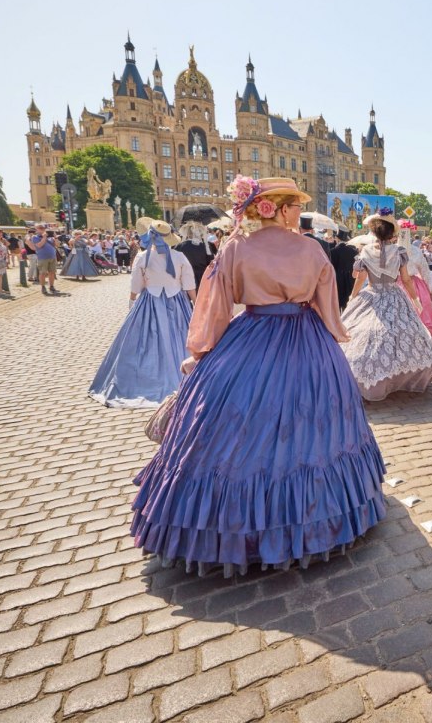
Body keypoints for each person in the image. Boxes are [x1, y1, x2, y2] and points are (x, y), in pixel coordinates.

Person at [131, 176, 385, 576]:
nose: (299, 211)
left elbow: (215, 305)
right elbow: (326, 306)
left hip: (249, 335)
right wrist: (333, 336)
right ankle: (308, 519)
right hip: (306, 341)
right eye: (296, 205)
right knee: (313, 424)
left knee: (232, 429)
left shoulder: (234, 248)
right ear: (280, 209)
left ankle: (229, 528)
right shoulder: (311, 249)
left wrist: (200, 353)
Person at [90, 219, 196, 408]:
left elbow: (136, 284)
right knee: (181, 338)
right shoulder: (179, 257)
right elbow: (189, 285)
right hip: (177, 304)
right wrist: (196, 306)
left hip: (150, 303)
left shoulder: (143, 257)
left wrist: (132, 302)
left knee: (140, 341)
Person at [339, 212, 432, 401]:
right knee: (402, 333)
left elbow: (360, 278)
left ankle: (369, 376)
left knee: (367, 334)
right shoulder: (399, 251)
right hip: (394, 294)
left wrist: (353, 299)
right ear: (391, 233)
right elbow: (406, 279)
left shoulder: (366, 251)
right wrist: (415, 299)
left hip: (371, 294)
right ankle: (396, 377)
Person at [398, 222, 432, 356]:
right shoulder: (392, 250)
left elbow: (425, 271)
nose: (404, 235)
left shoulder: (415, 251)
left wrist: (430, 290)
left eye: (405, 232)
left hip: (414, 285)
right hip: (397, 286)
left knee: (422, 314)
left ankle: (424, 349)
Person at [174, 221, 216, 290]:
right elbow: (211, 262)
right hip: (202, 278)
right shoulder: (205, 246)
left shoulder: (179, 246)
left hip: (185, 279)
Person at [329, 233, 358, 311]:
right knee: (347, 302)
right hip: (350, 278)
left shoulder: (333, 251)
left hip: (337, 279)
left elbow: (331, 267)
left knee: (337, 302)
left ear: (337, 239)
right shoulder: (353, 251)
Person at [31, 225, 59, 295]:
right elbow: (40, 245)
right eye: (40, 228)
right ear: (36, 230)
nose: (42, 229)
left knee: (52, 273)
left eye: (43, 228)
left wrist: (55, 237)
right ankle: (43, 287)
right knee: (42, 273)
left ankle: (51, 286)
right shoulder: (35, 237)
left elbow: (57, 244)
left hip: (52, 257)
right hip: (42, 258)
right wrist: (44, 237)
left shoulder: (50, 238)